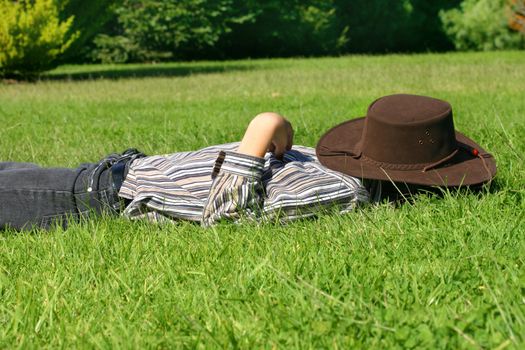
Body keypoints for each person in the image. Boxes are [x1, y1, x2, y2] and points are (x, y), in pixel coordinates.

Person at [0, 94, 496, 231]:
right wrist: (279, 137)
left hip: (97, 198)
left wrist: (262, 127)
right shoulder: (342, 166)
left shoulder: (345, 191)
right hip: (114, 171)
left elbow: (229, 212)